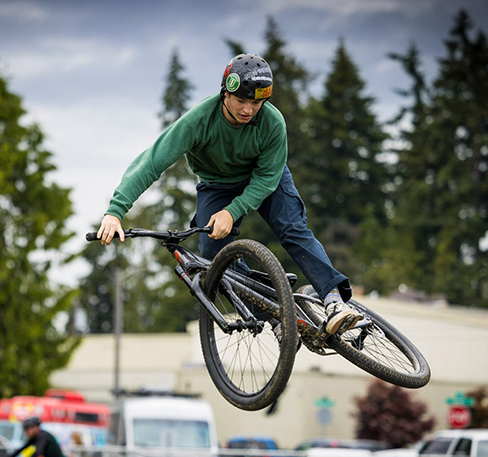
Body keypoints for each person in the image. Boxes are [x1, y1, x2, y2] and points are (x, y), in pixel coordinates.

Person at [97, 53, 360, 336]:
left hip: (265, 177)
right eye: (241, 101)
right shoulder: (200, 120)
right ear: (225, 93)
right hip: (217, 183)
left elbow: (267, 178)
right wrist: (115, 211)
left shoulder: (272, 123)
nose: (248, 110)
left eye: (256, 103)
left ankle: (334, 299)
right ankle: (276, 316)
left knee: (293, 229)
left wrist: (232, 212)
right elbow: (153, 161)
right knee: (215, 255)